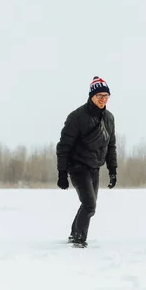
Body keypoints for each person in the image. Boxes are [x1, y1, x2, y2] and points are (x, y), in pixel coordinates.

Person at [56, 76, 118, 248]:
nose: (103, 99)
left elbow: (111, 145)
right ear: (91, 96)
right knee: (89, 205)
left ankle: (74, 234)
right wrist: (62, 173)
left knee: (90, 205)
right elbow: (63, 146)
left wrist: (112, 170)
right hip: (77, 167)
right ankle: (78, 239)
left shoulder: (109, 118)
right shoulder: (77, 117)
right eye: (99, 96)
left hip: (94, 168)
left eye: (106, 96)